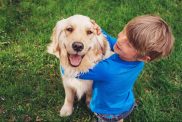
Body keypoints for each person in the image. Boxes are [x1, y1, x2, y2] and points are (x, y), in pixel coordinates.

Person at [76, 15, 174, 122]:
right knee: (118, 118)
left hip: (107, 111)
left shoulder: (107, 70)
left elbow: (75, 72)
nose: (120, 39)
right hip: (125, 103)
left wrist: (68, 58)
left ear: (143, 57)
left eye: (129, 44)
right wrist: (99, 31)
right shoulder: (137, 61)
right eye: (124, 32)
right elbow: (111, 42)